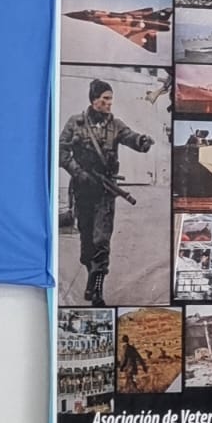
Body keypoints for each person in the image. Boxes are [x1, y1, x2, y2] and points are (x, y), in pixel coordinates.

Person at [59, 79, 154, 307]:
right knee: (86, 243)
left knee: (101, 240)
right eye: (105, 99)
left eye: (111, 99)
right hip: (83, 190)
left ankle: (97, 289)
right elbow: (61, 151)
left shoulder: (115, 125)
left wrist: (142, 141)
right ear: (94, 100)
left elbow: (130, 137)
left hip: (105, 191)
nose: (110, 103)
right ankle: (91, 275)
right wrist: (78, 172)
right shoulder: (75, 123)